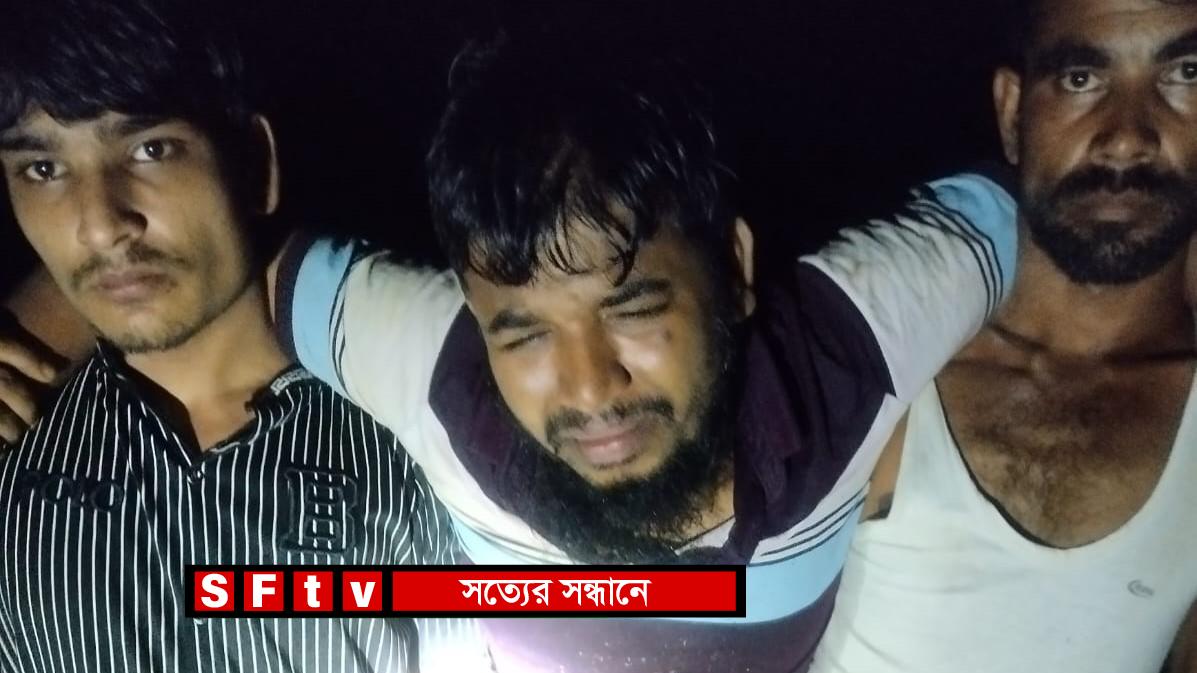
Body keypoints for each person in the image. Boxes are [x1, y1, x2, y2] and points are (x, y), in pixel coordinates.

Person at [264, 35, 1017, 672]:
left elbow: (1033, 200)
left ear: (733, 268)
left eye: (634, 310)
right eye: (524, 335)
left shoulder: (845, 355)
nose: (590, 388)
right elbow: (250, 271)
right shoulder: (433, 367)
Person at [0, 1, 478, 671]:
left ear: (256, 162)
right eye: (43, 170)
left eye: (150, 149)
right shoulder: (17, 457)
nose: (101, 224)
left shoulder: (419, 440)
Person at [810, 1, 1197, 672]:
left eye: (1186, 74)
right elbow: (684, 590)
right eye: (1081, 79)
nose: (1126, 138)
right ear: (1014, 111)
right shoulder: (884, 361)